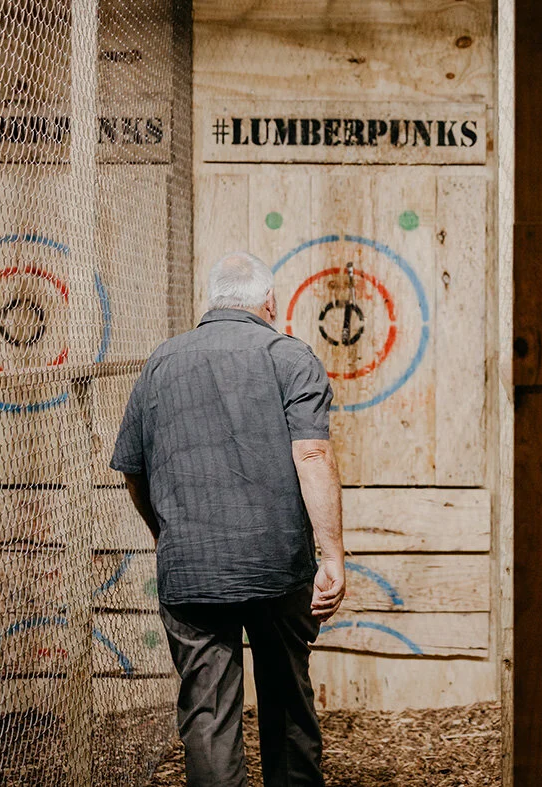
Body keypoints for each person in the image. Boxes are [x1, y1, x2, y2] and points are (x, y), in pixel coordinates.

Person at [110, 251, 345, 787]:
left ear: (212, 302)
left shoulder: (161, 362)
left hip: (191, 566)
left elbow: (133, 472)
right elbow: (313, 456)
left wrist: (168, 534)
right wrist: (331, 556)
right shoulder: (291, 357)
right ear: (270, 303)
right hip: (278, 565)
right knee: (288, 697)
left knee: (209, 714)